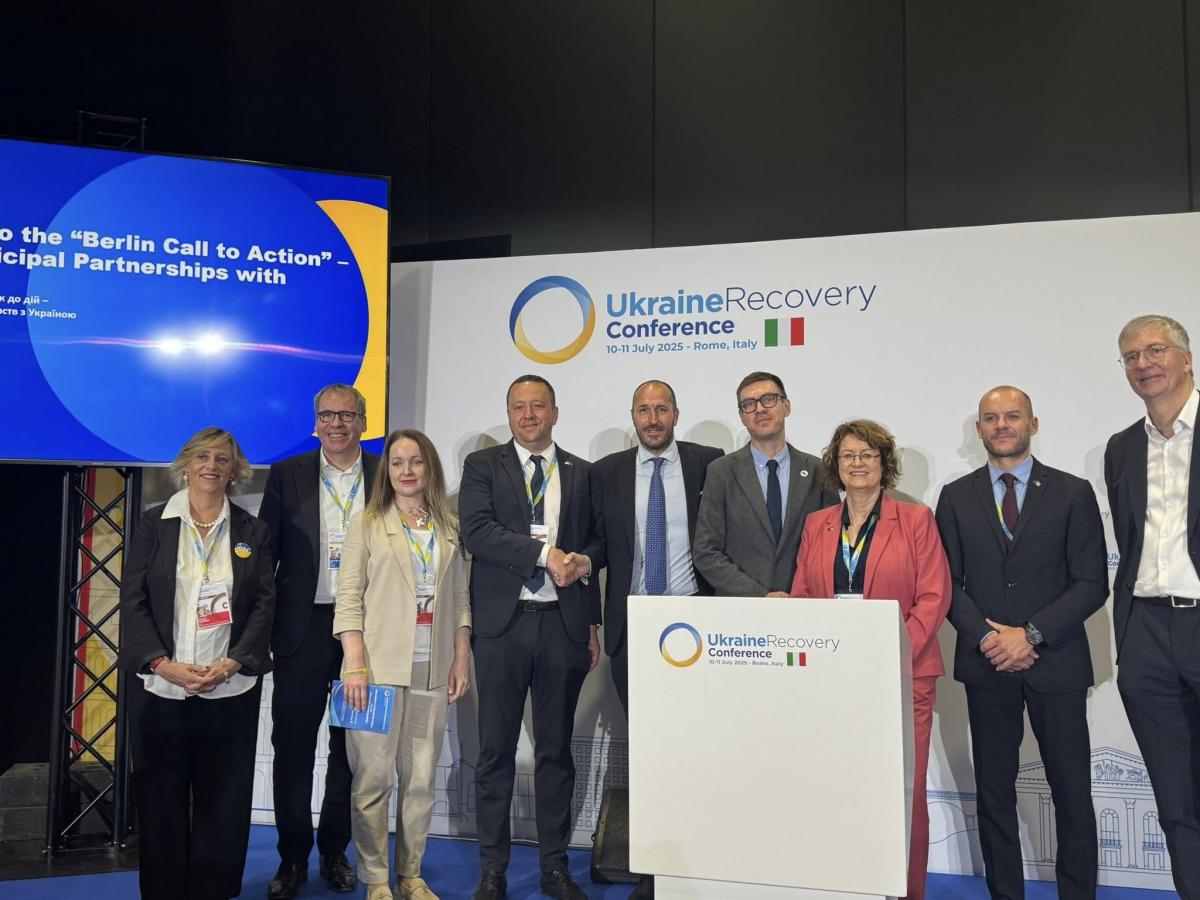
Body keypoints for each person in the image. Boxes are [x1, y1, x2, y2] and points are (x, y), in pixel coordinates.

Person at [936, 387, 1107, 900]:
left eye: (1012, 416)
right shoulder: (955, 496)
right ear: (979, 430)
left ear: (1033, 424)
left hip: (1056, 661)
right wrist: (991, 637)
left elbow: (1091, 583)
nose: (1002, 425)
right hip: (987, 664)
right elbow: (947, 584)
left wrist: (1029, 635)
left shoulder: (1073, 492)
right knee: (993, 793)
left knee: (1072, 791)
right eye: (991, 418)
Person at [789, 419, 950, 900]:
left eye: (867, 455)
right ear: (835, 466)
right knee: (840, 789)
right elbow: (803, 596)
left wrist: (888, 658)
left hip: (902, 679)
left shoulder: (916, 520)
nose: (857, 464)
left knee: (903, 793)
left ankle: (907, 891)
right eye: (848, 455)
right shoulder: (817, 525)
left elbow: (933, 598)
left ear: (884, 463)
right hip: (835, 682)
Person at [459, 374, 602, 900]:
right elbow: (477, 532)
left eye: (538, 406)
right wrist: (545, 554)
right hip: (502, 626)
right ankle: (492, 870)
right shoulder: (482, 466)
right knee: (495, 751)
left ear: (554, 413)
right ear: (508, 414)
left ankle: (554, 867)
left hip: (562, 626)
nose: (528, 415)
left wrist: (583, 566)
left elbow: (597, 541)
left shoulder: (581, 471)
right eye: (518, 406)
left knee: (556, 752)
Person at [119, 427, 275, 899]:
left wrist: (233, 664)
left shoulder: (252, 531)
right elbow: (133, 600)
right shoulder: (153, 524)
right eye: (203, 457)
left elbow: (264, 604)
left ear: (234, 471)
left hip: (229, 688)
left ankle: (214, 889)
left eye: (223, 459)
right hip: (162, 688)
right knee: (160, 800)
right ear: (186, 465)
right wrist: (161, 664)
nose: (212, 466)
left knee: (224, 801)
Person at [588, 380, 722, 899]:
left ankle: (700, 858)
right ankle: (653, 865)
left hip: (696, 624)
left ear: (676, 414)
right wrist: (581, 562)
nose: (652, 418)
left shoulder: (710, 464)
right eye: (643, 410)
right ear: (633, 416)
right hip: (635, 626)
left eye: (661, 408)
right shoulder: (608, 472)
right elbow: (598, 543)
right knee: (646, 749)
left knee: (697, 745)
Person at [334, 429, 472, 900]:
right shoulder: (366, 524)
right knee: (372, 782)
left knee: (420, 782)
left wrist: (461, 655)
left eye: (416, 461)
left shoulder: (449, 526)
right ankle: (376, 878)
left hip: (432, 670)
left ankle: (410, 875)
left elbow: (460, 598)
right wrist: (354, 662)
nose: (407, 471)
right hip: (374, 673)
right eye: (397, 462)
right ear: (386, 471)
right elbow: (348, 599)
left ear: (429, 467)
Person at [259, 383, 380, 898]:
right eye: (327, 415)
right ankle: (291, 856)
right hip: (301, 628)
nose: (336, 424)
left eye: (346, 415)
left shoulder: (385, 473)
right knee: (292, 748)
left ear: (363, 422)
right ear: (315, 423)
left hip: (367, 630)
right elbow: (265, 556)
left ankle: (335, 851)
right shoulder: (287, 474)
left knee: (351, 749)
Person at [1105, 314, 1200, 898]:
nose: (1143, 363)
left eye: (1155, 350)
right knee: (1174, 798)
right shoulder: (1121, 448)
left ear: (1186, 358)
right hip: (1145, 632)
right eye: (1131, 356)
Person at [694, 371, 838, 597]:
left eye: (768, 399)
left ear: (786, 406)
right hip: (740, 608)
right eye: (749, 404)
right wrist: (760, 595)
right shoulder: (721, 472)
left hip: (804, 604)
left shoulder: (818, 471)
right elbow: (706, 551)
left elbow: (831, 544)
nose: (760, 409)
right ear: (742, 416)